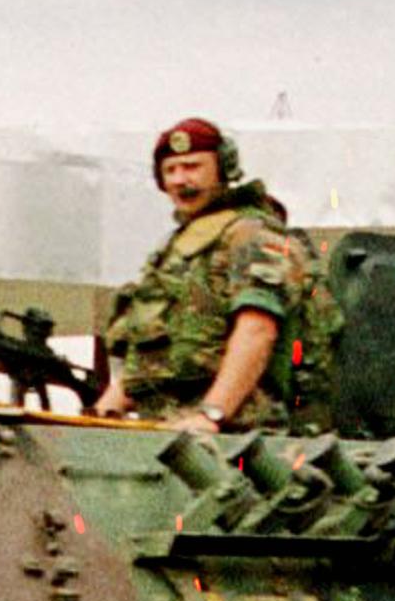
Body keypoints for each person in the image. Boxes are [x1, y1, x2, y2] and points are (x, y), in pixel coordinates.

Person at [96, 118, 331, 433]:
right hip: (169, 427)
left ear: (223, 169)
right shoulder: (175, 248)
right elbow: (148, 362)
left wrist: (213, 414)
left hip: (239, 433)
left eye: (192, 167)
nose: (180, 180)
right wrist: (103, 414)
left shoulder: (250, 233)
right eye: (170, 170)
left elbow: (257, 330)